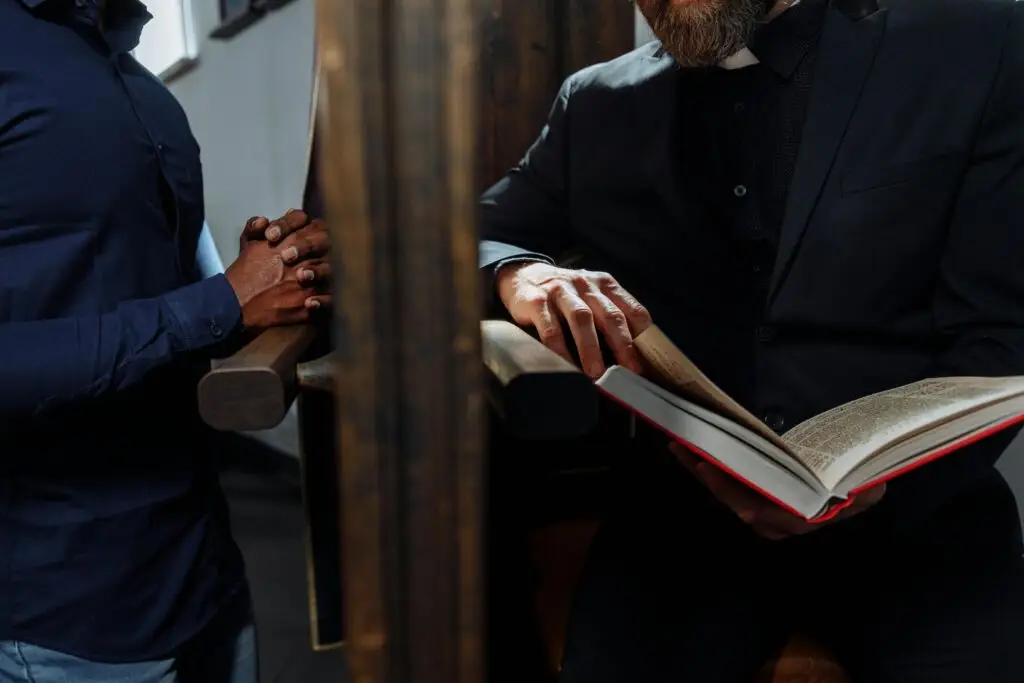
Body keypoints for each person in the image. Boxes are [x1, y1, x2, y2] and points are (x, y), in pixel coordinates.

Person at [480, 0, 1024, 680]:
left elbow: (1001, 335)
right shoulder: (594, 101)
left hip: (924, 524)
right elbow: (485, 228)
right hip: (681, 530)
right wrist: (521, 273)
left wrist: (898, 488)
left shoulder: (978, 44)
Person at [0, 0, 328, 681]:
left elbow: (188, 295)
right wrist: (216, 303)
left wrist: (265, 277)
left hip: (205, 567)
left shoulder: (136, 78)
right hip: (67, 610)